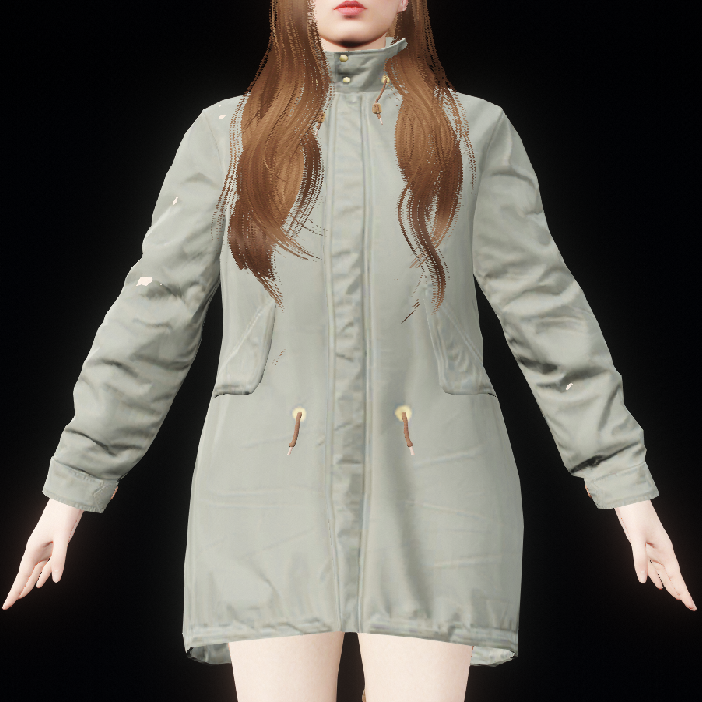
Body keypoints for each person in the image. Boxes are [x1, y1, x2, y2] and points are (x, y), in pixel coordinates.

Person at [3, 2, 696, 702]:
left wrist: (624, 484)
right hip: (263, 489)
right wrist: (74, 484)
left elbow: (544, 308)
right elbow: (154, 314)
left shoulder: (473, 132)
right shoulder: (226, 135)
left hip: (439, 485)